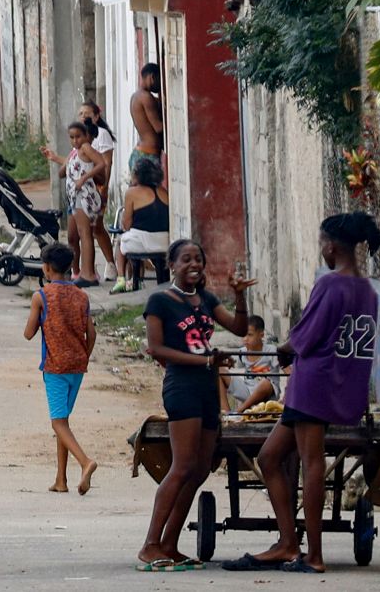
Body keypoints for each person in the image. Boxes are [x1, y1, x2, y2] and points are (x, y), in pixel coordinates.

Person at [225, 214, 380, 575]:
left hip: (314, 384)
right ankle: (287, 542)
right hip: (338, 383)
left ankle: (314, 555)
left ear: (330, 246)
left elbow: (304, 338)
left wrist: (284, 348)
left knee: (312, 465)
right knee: (270, 457)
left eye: (321, 244)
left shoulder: (329, 285)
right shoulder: (368, 291)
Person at [138, 240, 255, 572]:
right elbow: (157, 349)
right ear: (171, 264)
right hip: (183, 387)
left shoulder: (205, 299)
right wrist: (203, 360)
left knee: (201, 468)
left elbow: (239, 328)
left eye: (198, 259)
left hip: (206, 386)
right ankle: (150, 545)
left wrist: (241, 296)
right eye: (186, 259)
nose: (194, 264)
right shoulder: (159, 300)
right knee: (183, 466)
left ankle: (170, 545)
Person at [22, 243, 98, 495]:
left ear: (45, 267)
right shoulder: (82, 296)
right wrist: (83, 356)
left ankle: (85, 462)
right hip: (77, 366)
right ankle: (60, 479)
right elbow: (92, 333)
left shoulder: (41, 296)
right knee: (63, 421)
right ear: (69, 267)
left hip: (55, 367)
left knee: (57, 423)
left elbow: (29, 334)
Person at [41, 121, 111, 286]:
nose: (75, 141)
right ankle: (76, 271)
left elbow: (102, 163)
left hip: (85, 195)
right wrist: (55, 158)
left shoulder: (86, 148)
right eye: (71, 137)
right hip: (73, 197)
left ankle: (89, 274)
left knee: (85, 233)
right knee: (73, 236)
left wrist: (85, 178)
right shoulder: (75, 152)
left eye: (78, 136)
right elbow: (62, 172)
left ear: (86, 136)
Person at [115, 154, 171, 292]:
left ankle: (121, 278)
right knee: (131, 239)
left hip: (142, 241)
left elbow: (126, 225)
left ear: (137, 175)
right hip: (165, 242)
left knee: (119, 242)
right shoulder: (164, 192)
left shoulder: (131, 193)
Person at [219, 314, 281, 414]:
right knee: (219, 371)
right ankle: (227, 414)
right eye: (243, 335)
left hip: (266, 394)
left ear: (261, 335)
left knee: (266, 383)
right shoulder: (242, 352)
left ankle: (238, 411)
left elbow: (288, 370)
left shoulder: (271, 351)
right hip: (247, 390)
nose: (245, 339)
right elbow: (231, 366)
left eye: (249, 335)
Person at [130, 61, 164, 175]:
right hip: (148, 156)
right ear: (152, 77)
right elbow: (158, 127)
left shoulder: (136, 97)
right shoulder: (147, 98)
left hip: (140, 152)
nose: (160, 85)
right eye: (160, 80)